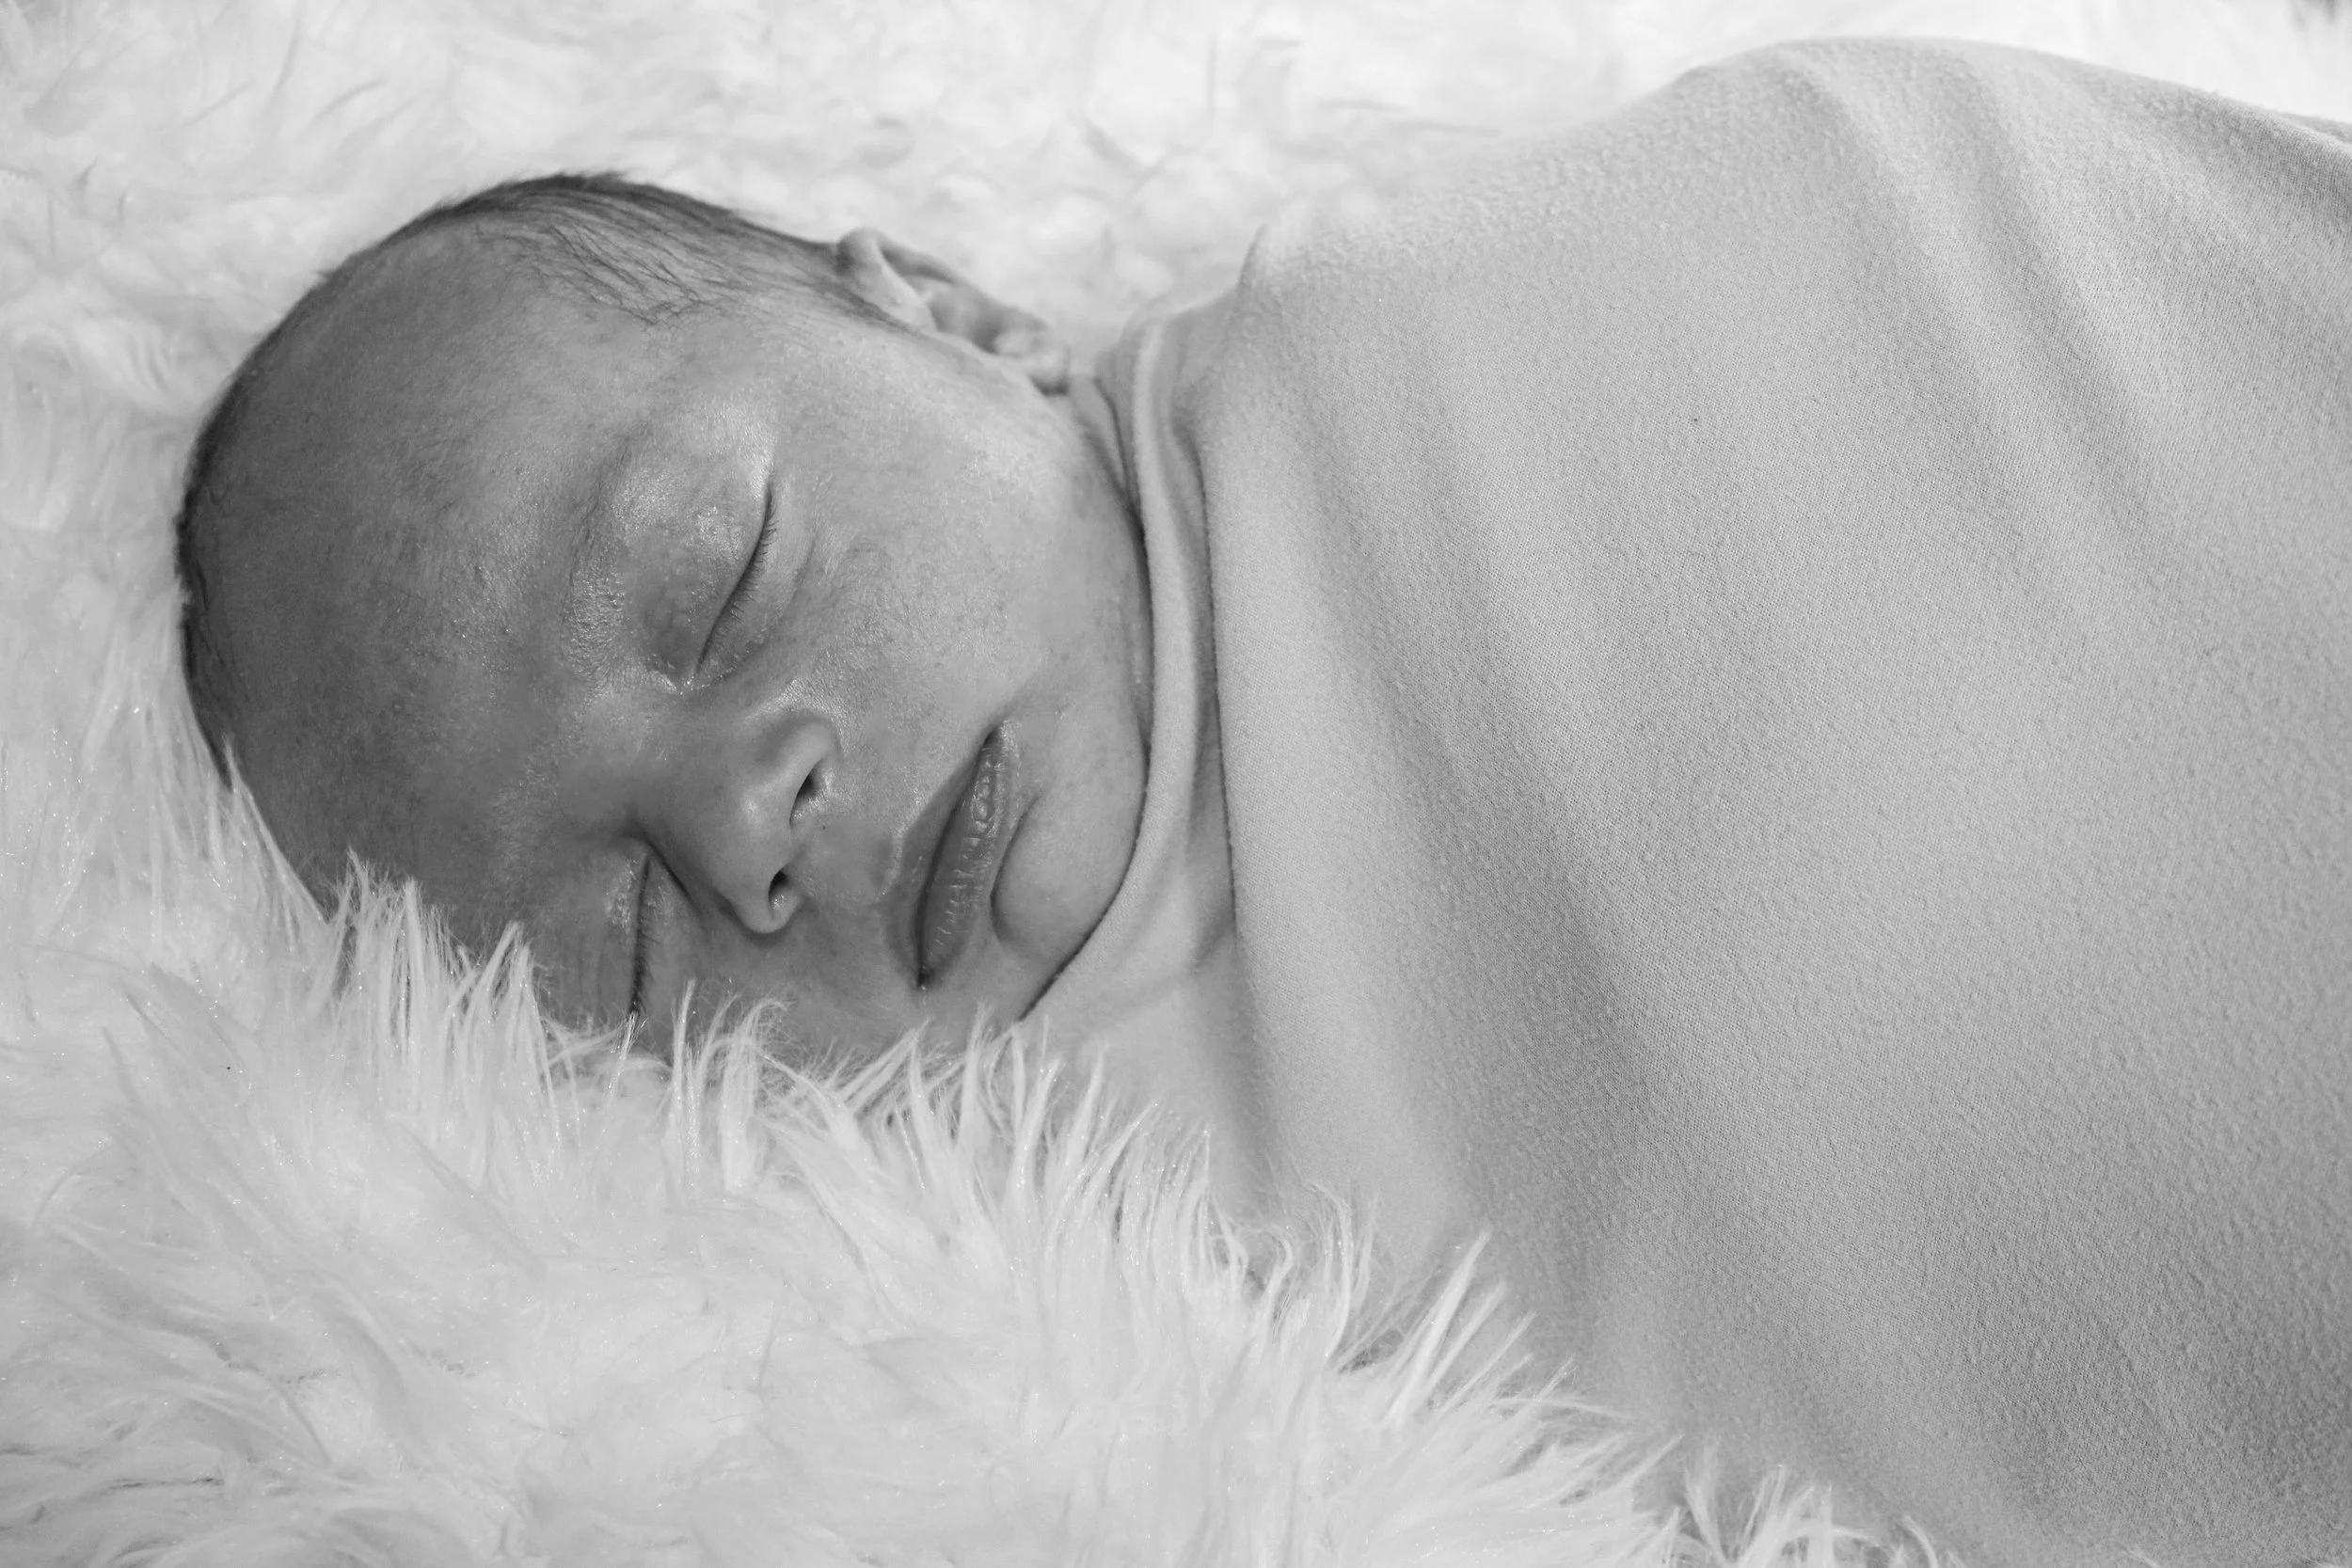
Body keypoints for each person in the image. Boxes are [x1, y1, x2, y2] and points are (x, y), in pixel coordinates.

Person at [172, 34, 2352, 1568]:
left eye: (722, 568)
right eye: (620, 940)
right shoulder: (1068, 1332)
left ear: (946, 312)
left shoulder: (1572, 284)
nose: (752, 815)